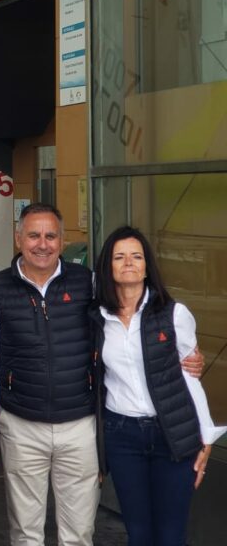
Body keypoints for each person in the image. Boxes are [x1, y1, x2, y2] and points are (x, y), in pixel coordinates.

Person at [0, 204, 203, 546]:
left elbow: (131, 321)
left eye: (51, 236)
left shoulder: (89, 283)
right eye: (34, 235)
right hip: (21, 424)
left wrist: (186, 352)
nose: (43, 244)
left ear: (63, 241)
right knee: (25, 531)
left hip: (80, 426)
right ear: (18, 238)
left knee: (79, 533)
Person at [91, 226, 224, 546]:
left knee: (170, 536)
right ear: (108, 266)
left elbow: (190, 375)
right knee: (138, 533)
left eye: (136, 256)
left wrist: (205, 437)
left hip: (171, 433)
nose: (128, 262)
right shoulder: (97, 318)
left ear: (147, 266)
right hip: (122, 435)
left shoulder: (174, 314)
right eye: (119, 257)